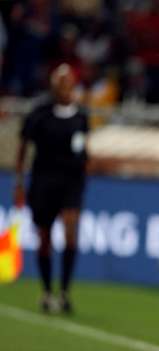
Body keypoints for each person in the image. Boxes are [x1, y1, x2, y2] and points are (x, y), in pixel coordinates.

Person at [14, 63, 89, 313]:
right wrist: (20, 182)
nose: (65, 87)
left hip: (71, 182)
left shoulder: (80, 116)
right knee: (44, 238)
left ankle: (65, 291)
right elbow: (23, 146)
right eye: (60, 82)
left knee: (70, 228)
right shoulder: (39, 113)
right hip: (43, 181)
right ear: (53, 85)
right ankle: (47, 291)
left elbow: (82, 148)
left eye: (69, 82)